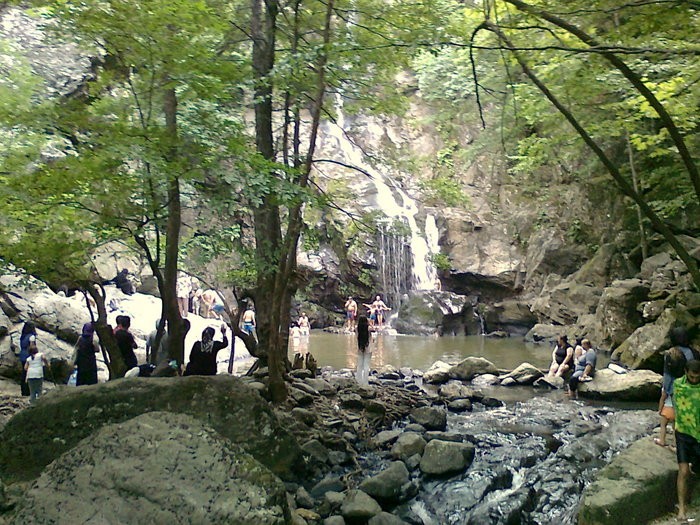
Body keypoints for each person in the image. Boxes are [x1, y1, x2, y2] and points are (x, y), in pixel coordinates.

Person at [673, 359, 700, 521]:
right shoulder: (678, 385)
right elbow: (675, 404)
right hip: (683, 432)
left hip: (698, 433)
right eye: (691, 377)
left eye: (697, 377)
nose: (694, 380)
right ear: (685, 372)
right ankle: (682, 508)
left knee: (696, 469)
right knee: (683, 471)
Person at [656, 343, 695, 447]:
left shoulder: (669, 383)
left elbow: (663, 398)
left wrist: (659, 410)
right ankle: (676, 445)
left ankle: (662, 440)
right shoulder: (683, 382)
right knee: (676, 428)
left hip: (667, 410)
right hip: (678, 410)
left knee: (663, 425)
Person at [24, 339, 49, 403]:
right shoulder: (40, 354)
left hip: (30, 375)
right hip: (38, 374)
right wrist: (47, 364)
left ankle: (32, 404)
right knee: (39, 390)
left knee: (32, 391)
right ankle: (40, 404)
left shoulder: (28, 359)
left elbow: (25, 368)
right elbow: (44, 358)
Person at [18, 321, 37, 396]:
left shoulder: (22, 336)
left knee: (24, 373)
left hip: (22, 355)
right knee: (29, 374)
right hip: (29, 355)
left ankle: (23, 391)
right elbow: (32, 347)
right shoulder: (31, 337)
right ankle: (28, 391)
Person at [356, 316, 372, 386]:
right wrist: (370, 323)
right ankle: (365, 382)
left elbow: (357, 337)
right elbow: (372, 337)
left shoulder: (357, 329)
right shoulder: (369, 329)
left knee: (359, 365)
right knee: (366, 366)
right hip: (368, 348)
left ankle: (359, 381)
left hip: (360, 347)